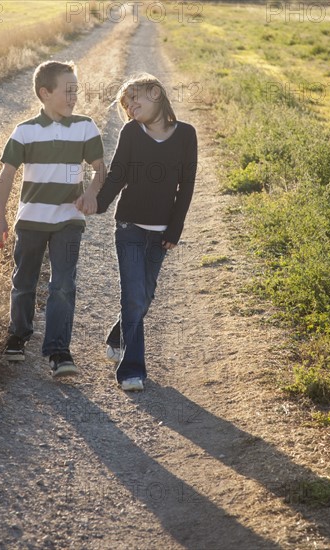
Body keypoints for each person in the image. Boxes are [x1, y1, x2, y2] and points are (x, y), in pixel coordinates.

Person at [77, 73, 197, 391]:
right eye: (126, 103)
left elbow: (186, 186)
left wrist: (176, 226)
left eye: (134, 98)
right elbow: (118, 175)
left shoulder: (186, 135)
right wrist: (98, 204)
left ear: (156, 93)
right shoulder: (131, 132)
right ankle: (132, 370)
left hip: (161, 233)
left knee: (143, 299)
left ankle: (118, 335)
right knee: (132, 297)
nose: (130, 107)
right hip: (129, 226)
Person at [0, 60, 105, 377]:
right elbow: (7, 175)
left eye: (76, 91)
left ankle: (58, 351)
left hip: (69, 221)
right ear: (45, 92)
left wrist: (93, 193)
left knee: (64, 284)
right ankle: (18, 335)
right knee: (24, 282)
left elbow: (100, 168)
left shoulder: (85, 126)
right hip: (30, 221)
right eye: (68, 91)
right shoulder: (25, 131)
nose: (74, 97)